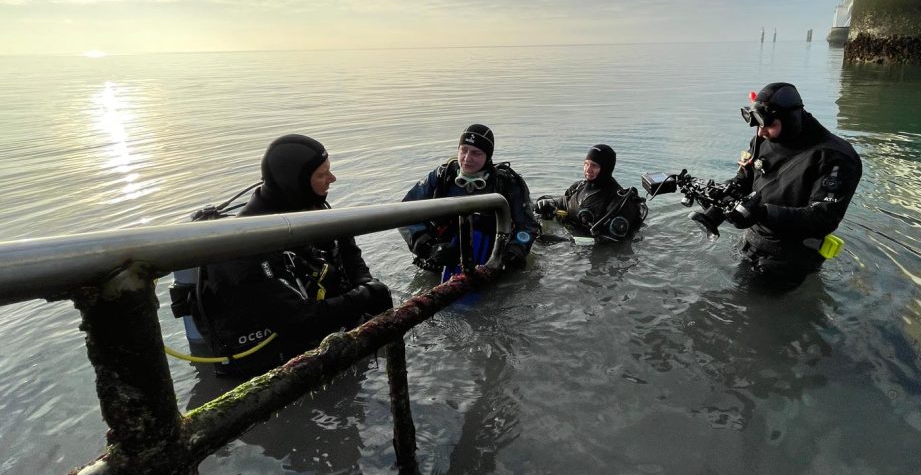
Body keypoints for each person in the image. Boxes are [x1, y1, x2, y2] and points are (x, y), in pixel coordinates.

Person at [197, 134, 393, 377]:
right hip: (274, 371)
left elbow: (347, 250)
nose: (332, 179)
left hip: (325, 340)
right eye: (322, 175)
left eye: (329, 171)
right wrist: (365, 296)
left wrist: (365, 283)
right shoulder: (240, 247)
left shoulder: (312, 208)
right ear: (295, 183)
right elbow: (298, 322)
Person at [695, 82, 862, 288]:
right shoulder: (762, 139)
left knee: (754, 309)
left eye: (767, 125)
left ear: (791, 120)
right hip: (752, 241)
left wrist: (763, 213)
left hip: (792, 258)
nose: (760, 132)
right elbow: (745, 179)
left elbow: (823, 218)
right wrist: (721, 194)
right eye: (757, 125)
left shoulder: (836, 157)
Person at [399, 124, 537, 277]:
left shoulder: (507, 183)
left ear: (488, 156)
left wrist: (512, 254)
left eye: (476, 153)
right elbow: (403, 214)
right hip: (443, 260)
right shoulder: (441, 177)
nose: (467, 158)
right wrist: (428, 247)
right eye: (463, 150)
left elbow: (527, 226)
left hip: (494, 262)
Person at [534, 144, 647, 242]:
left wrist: (564, 241)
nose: (588, 169)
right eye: (586, 164)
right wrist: (547, 203)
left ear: (606, 168)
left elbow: (613, 241)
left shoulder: (618, 202)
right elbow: (563, 202)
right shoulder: (578, 187)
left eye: (594, 165)